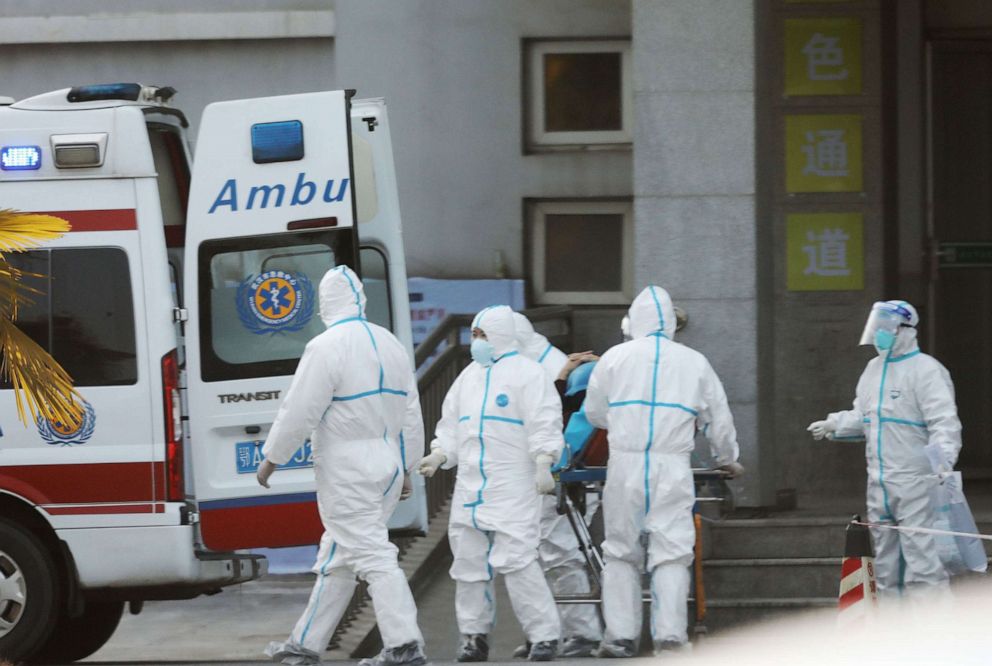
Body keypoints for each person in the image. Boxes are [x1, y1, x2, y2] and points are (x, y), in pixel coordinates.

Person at [257, 266, 426, 666]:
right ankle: (304, 646)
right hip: (386, 462)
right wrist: (407, 466)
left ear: (326, 303)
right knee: (338, 557)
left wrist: (272, 457)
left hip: (348, 468)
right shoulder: (391, 345)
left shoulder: (327, 346)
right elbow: (412, 413)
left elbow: (300, 408)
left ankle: (404, 645)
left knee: (370, 555)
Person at [584, 286, 742, 657]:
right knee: (671, 551)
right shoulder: (694, 361)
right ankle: (670, 638)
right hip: (672, 465)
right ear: (671, 322)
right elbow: (717, 417)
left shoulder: (614, 358)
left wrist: (625, 423)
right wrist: (727, 457)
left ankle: (621, 636)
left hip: (625, 462)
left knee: (621, 550)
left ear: (634, 320)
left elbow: (594, 412)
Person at [417, 305, 564, 662]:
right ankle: (473, 637)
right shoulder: (468, 377)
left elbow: (545, 421)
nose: (476, 341)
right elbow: (451, 424)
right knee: (468, 564)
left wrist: (545, 460)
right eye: (475, 334)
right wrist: (439, 454)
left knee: (517, 560)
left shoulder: (528, 374)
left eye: (482, 334)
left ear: (499, 335)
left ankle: (544, 636)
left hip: (512, 482)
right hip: (470, 486)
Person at [807, 300, 961, 598]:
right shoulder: (873, 369)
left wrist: (941, 465)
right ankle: (893, 636)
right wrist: (834, 424)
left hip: (916, 480)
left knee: (924, 563)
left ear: (904, 331)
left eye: (885, 329)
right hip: (878, 481)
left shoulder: (927, 370)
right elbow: (865, 418)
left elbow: (944, 424)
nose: (878, 335)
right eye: (875, 328)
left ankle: (933, 636)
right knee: (887, 566)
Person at [512, 312, 603, 658]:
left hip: (564, 474)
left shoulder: (543, 370)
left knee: (558, 552)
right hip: (558, 473)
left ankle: (580, 633)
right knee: (547, 554)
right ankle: (554, 632)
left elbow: (561, 422)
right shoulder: (548, 365)